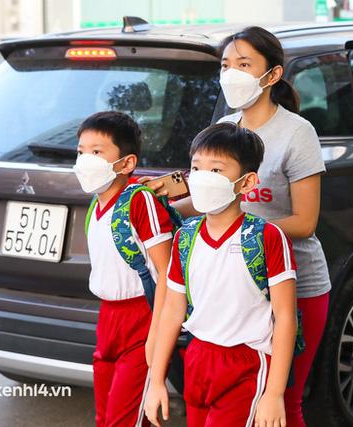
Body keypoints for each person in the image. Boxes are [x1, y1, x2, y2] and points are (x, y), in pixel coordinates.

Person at [143, 26, 331, 426]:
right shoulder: (225, 128)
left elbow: (305, 220)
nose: (231, 73)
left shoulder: (297, 133)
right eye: (227, 64)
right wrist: (172, 198)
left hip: (295, 284)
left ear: (272, 75)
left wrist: (244, 231)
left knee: (282, 399)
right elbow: (213, 196)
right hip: (231, 289)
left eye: (244, 64)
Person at [144, 123, 298, 427]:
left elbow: (285, 316)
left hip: (245, 364)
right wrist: (156, 380)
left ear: (246, 182)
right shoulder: (185, 238)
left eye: (216, 170)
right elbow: (172, 311)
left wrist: (274, 393)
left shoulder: (266, 237)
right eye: (196, 168)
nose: (202, 178)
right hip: (197, 358)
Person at [74, 111, 174, 427]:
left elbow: (168, 274)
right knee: (105, 416)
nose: (85, 160)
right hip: (108, 320)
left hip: (141, 320)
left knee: (123, 418)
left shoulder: (138, 202)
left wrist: (155, 337)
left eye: (97, 152)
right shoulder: (96, 205)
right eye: (81, 152)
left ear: (127, 163)